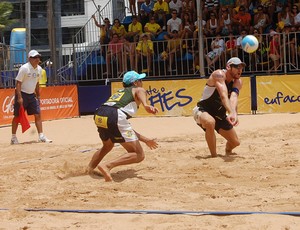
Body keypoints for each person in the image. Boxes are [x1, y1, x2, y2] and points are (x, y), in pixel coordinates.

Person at [87, 70, 159, 182]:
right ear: (135, 82)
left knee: (107, 146)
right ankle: (107, 166)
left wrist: (145, 140)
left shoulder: (121, 92)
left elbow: (123, 127)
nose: (142, 82)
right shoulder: (137, 89)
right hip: (115, 115)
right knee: (139, 155)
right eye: (140, 80)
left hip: (100, 114)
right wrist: (146, 105)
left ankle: (89, 169)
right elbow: (140, 91)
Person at [193, 57, 245, 157]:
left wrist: (234, 113)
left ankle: (228, 150)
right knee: (210, 122)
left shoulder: (238, 81)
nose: (240, 70)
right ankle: (214, 156)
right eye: (237, 67)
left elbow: (233, 97)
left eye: (242, 67)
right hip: (203, 110)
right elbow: (223, 95)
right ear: (228, 67)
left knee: (235, 142)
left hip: (219, 115)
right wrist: (230, 112)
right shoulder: (219, 74)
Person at [11, 50, 52, 144]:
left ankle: (41, 136)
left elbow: (37, 83)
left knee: (38, 114)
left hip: (31, 95)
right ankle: (13, 137)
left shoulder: (39, 69)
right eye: (34, 57)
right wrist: (20, 97)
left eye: (38, 57)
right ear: (29, 59)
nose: (37, 59)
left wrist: (38, 96)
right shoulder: (24, 68)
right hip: (22, 94)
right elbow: (18, 83)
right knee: (17, 116)